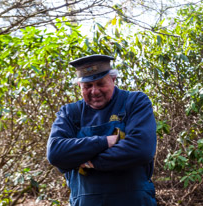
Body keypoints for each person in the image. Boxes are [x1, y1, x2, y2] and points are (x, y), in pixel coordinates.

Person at [47, 54, 157, 206]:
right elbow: (55, 153)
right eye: (88, 86)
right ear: (80, 86)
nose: (95, 91)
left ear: (113, 79)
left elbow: (141, 149)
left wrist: (88, 161)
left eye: (100, 84)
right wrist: (106, 141)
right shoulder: (69, 113)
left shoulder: (135, 102)